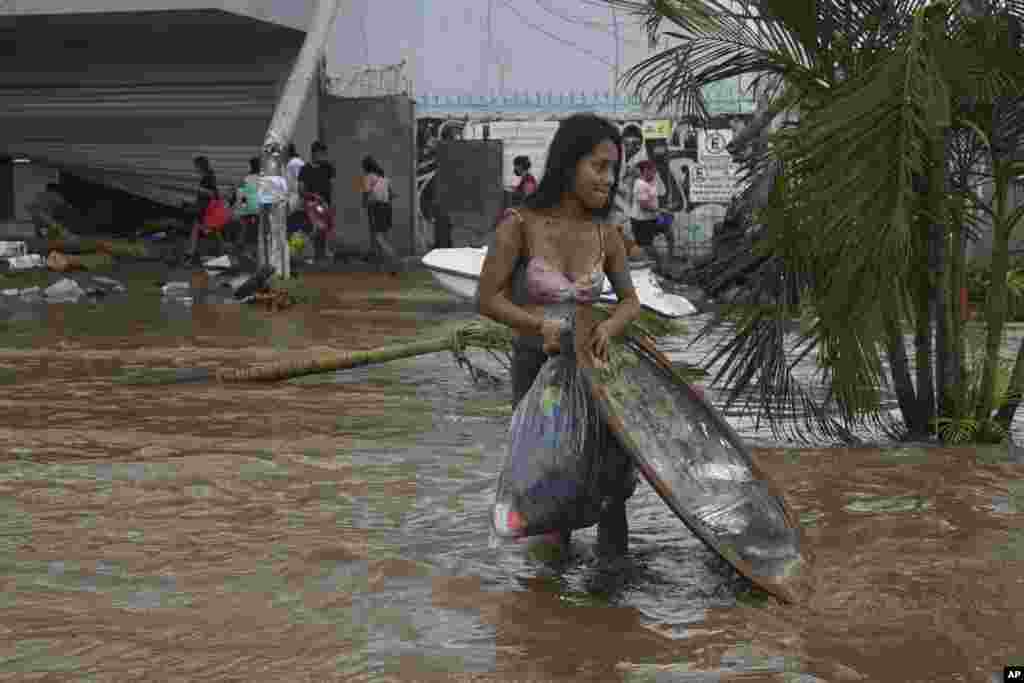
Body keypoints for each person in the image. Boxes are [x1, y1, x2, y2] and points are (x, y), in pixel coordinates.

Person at [477, 113, 643, 558]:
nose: (609, 179)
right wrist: (539, 326)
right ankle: (548, 608)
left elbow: (631, 302)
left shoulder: (606, 233)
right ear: (568, 163)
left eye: (613, 169)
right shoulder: (519, 224)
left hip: (597, 376)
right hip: (538, 374)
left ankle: (611, 603)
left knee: (611, 496)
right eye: (599, 166)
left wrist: (608, 326)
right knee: (548, 489)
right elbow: (487, 299)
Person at [361, 155, 398, 275]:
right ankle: (381, 267)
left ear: (365, 167)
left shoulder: (368, 177)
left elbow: (366, 193)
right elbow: (392, 194)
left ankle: (394, 260)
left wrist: (364, 203)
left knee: (378, 238)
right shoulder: (384, 178)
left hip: (376, 208)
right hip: (387, 208)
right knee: (383, 237)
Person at [298, 141, 336, 261]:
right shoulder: (305, 169)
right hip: (312, 204)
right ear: (314, 153)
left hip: (325, 204)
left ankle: (320, 256)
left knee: (324, 230)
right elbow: (301, 190)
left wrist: (330, 204)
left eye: (324, 153)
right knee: (317, 228)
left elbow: (332, 186)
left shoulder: (328, 168)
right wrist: (313, 197)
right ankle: (297, 248)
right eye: (321, 153)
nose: (323, 156)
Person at [184, 155, 221, 264]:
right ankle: (190, 255)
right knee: (199, 231)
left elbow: (213, 193)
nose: (195, 168)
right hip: (205, 208)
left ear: (201, 166)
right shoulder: (207, 176)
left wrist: (199, 189)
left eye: (196, 166)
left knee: (209, 232)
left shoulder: (209, 177)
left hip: (207, 209)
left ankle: (191, 256)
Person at [231, 156, 262, 249]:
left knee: (244, 224)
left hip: (247, 208)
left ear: (250, 167)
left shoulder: (245, 179)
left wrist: (243, 208)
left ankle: (240, 243)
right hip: (259, 209)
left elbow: (241, 196)